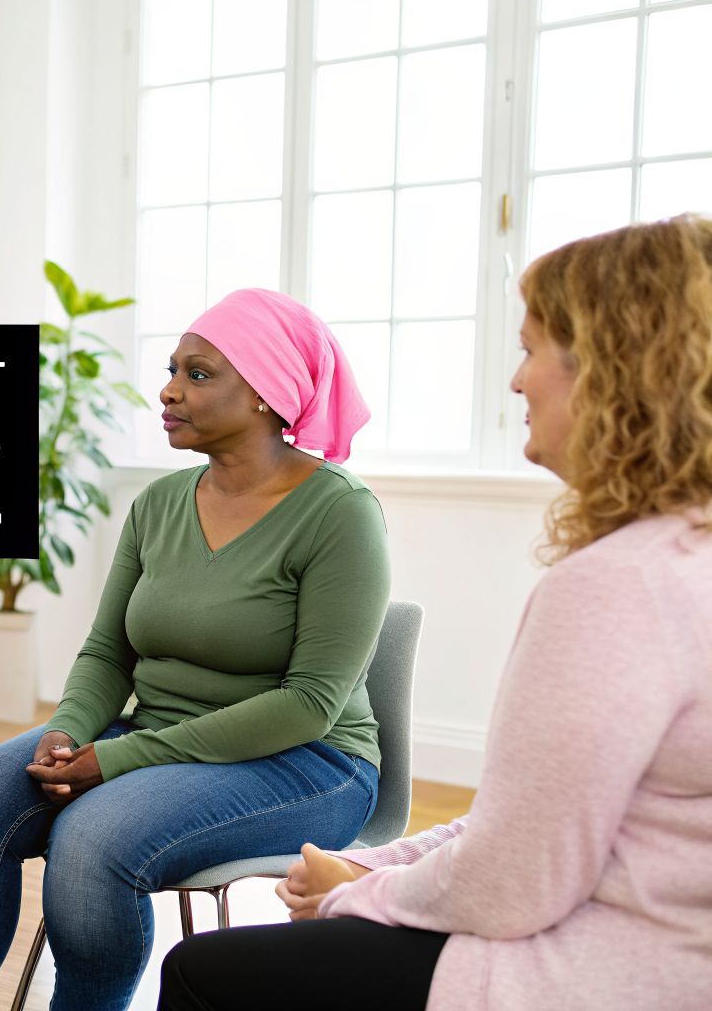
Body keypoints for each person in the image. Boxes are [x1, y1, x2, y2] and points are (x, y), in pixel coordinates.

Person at [157, 214, 712, 1011]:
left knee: (202, 975)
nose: (516, 382)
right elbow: (516, 826)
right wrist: (378, 870)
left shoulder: (618, 588)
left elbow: (515, 883)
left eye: (528, 351)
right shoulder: (682, 558)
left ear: (615, 371)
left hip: (610, 971)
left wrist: (354, 893)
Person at [0, 288, 388, 1011]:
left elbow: (309, 704)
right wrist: (71, 729)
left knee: (94, 843)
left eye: (198, 374)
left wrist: (118, 759)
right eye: (172, 370)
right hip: (153, 733)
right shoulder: (161, 503)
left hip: (307, 763)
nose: (167, 391)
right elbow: (108, 652)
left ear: (267, 393)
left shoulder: (340, 514)